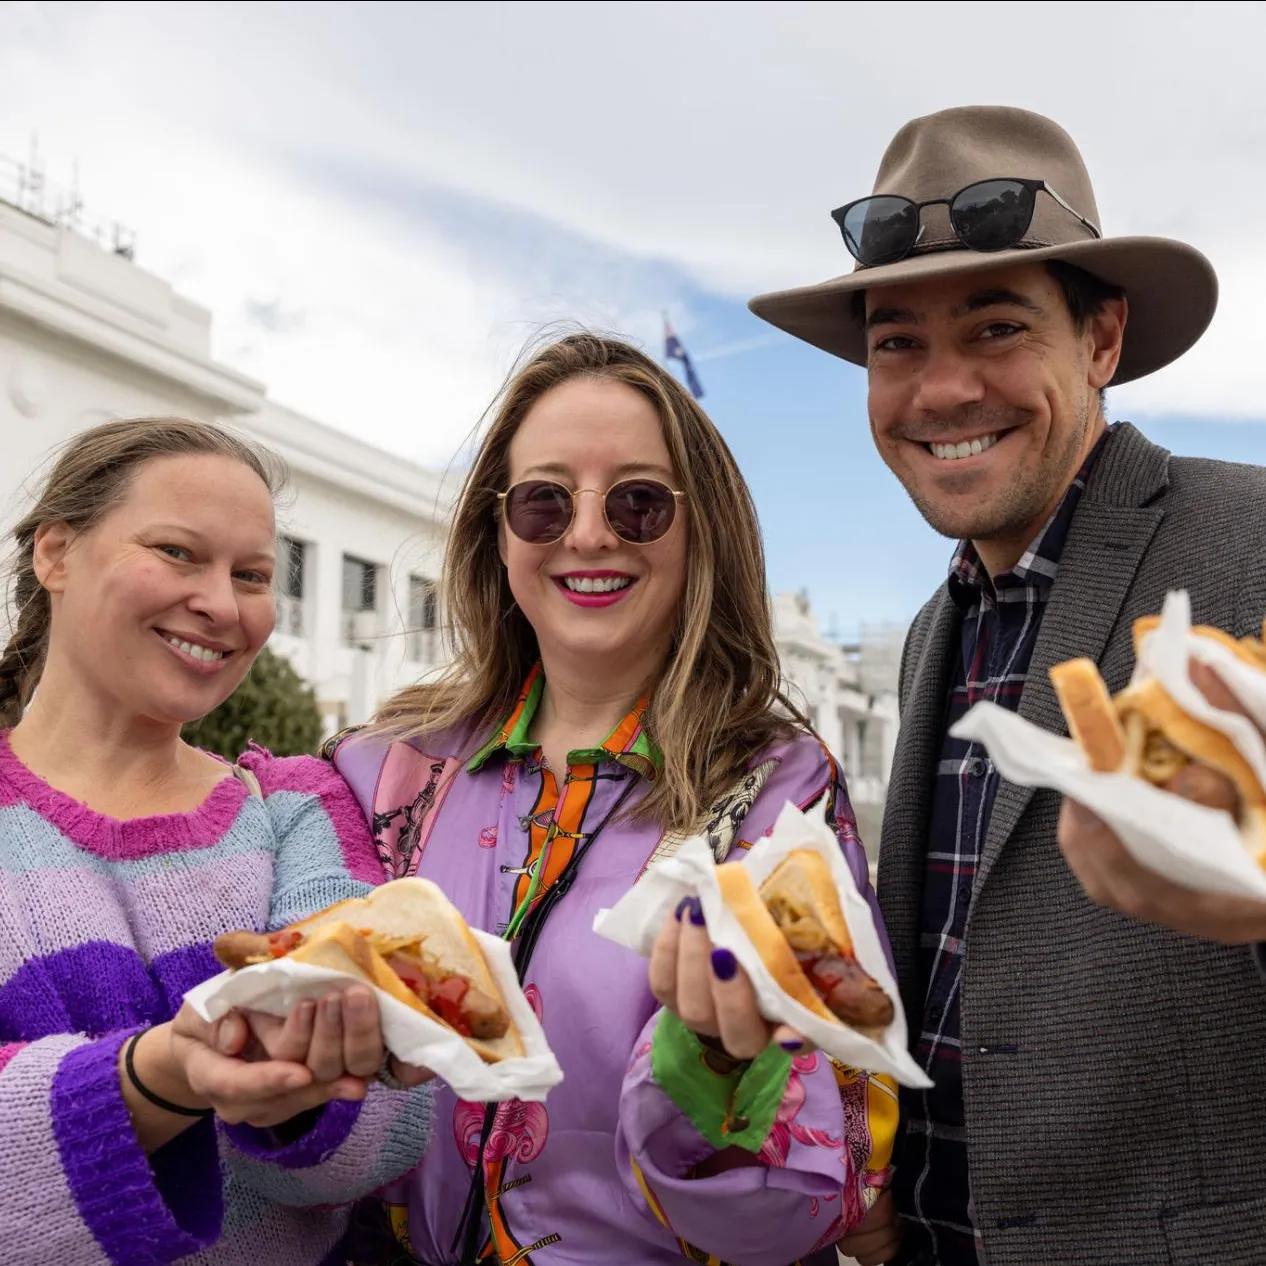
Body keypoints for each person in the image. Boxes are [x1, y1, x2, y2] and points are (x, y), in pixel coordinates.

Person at [748, 104, 1266, 1266]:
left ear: (1101, 340)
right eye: (896, 344)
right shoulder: (938, 629)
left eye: (995, 328)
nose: (940, 392)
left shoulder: (1252, 547)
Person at [326, 332, 898, 1266]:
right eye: (544, 502)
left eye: (638, 502)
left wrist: (719, 1071)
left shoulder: (776, 798)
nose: (588, 534)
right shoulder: (381, 772)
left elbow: (826, 1201)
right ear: (497, 532)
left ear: (700, 528)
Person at [0, 416, 432, 1264]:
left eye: (253, 575)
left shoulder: (298, 806)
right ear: (55, 553)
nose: (222, 604)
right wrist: (155, 1077)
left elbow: (386, 1136)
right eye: (177, 552)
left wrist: (308, 1088)